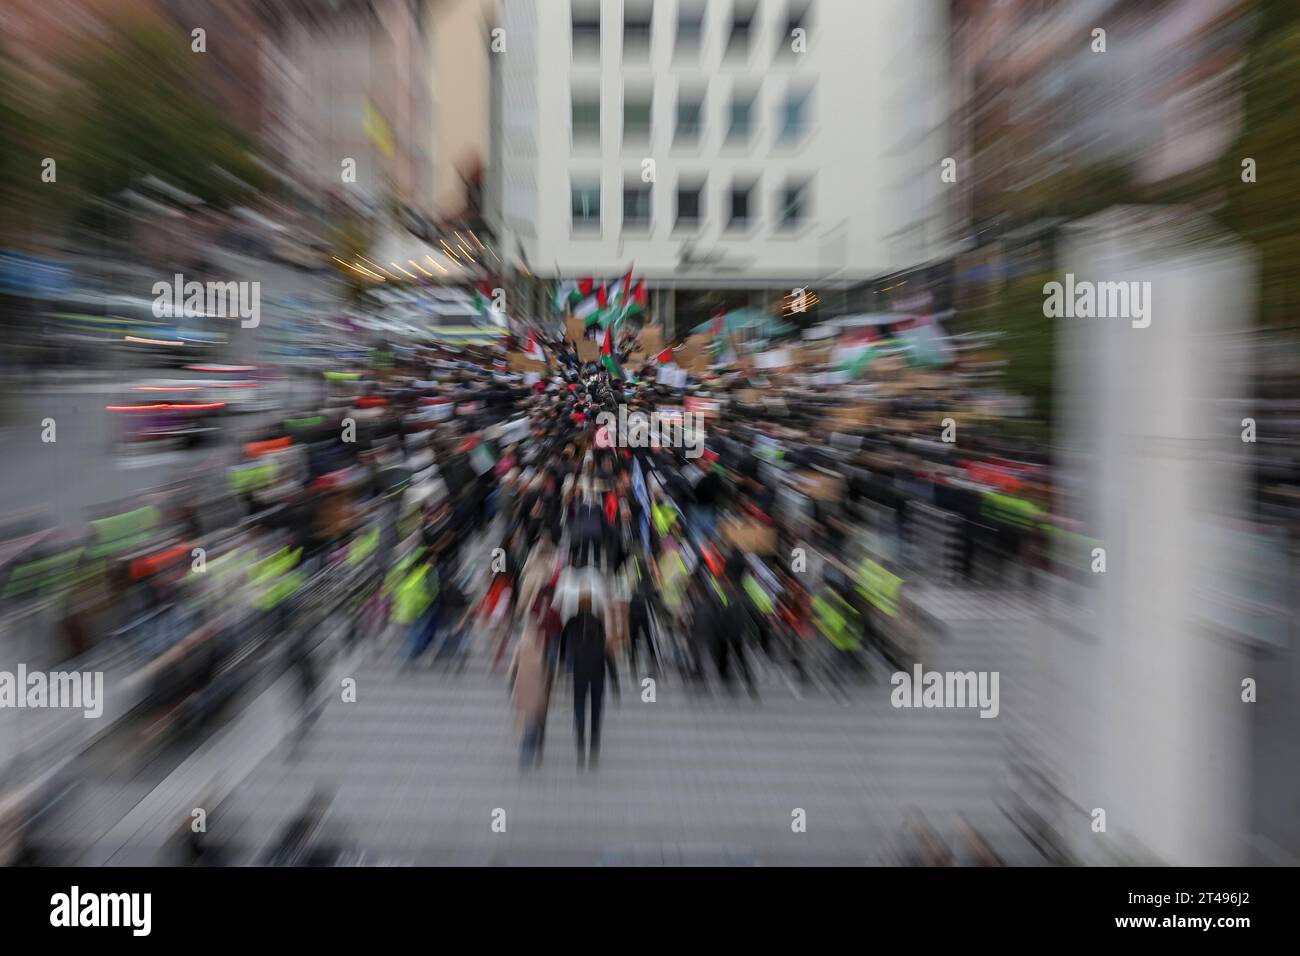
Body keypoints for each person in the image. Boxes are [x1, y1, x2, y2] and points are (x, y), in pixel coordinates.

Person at [563, 591, 617, 770]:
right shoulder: (599, 629)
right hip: (597, 678)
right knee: (596, 710)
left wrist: (565, 667)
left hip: (580, 676)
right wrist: (616, 686)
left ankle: (579, 733)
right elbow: (610, 661)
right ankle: (594, 744)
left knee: (579, 705)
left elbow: (564, 646)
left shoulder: (572, 622)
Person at [508, 612, 551, 770]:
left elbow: (513, 667)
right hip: (537, 689)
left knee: (529, 721)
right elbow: (544, 670)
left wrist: (512, 687)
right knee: (534, 723)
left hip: (523, 688)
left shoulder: (521, 643)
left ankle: (527, 754)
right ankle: (531, 752)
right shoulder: (540, 644)